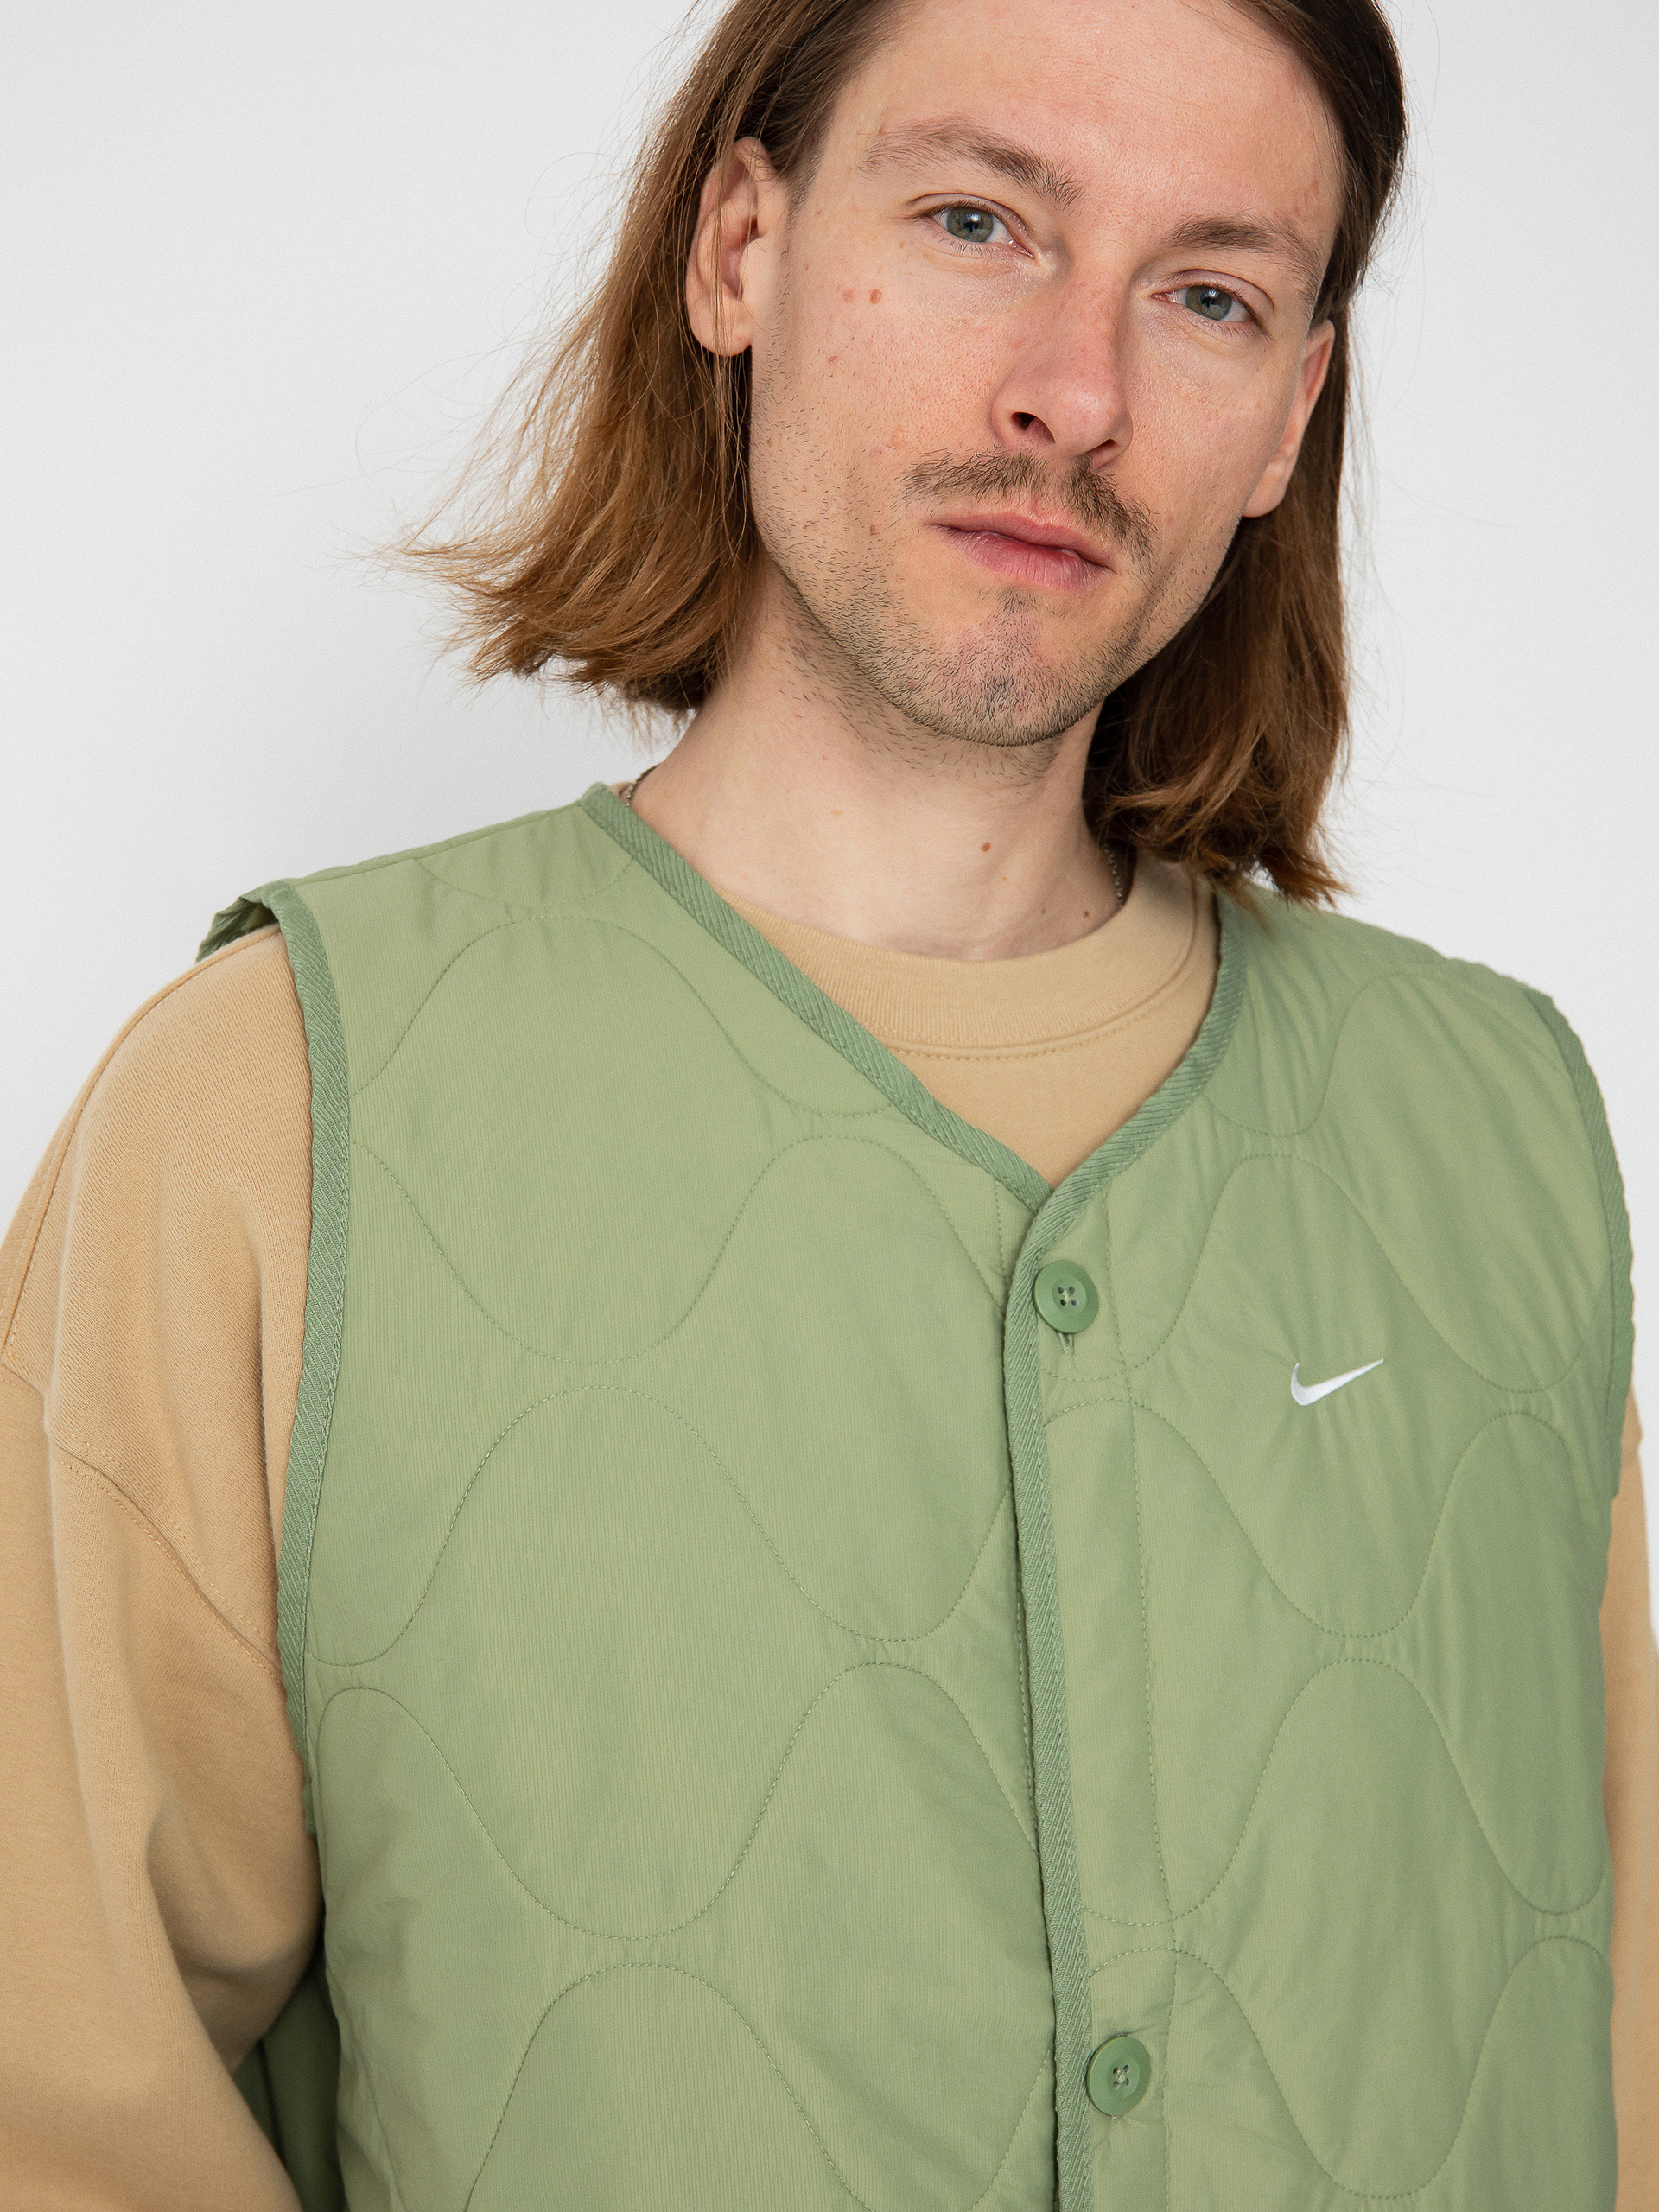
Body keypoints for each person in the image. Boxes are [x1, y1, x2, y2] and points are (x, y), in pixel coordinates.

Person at [1, 0, 1650, 2202]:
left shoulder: (1502, 1134)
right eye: (979, 221)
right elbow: (55, 2095)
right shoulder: (273, 1107)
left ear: (1290, 417)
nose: (1077, 392)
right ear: (741, 249)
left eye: (1210, 296)